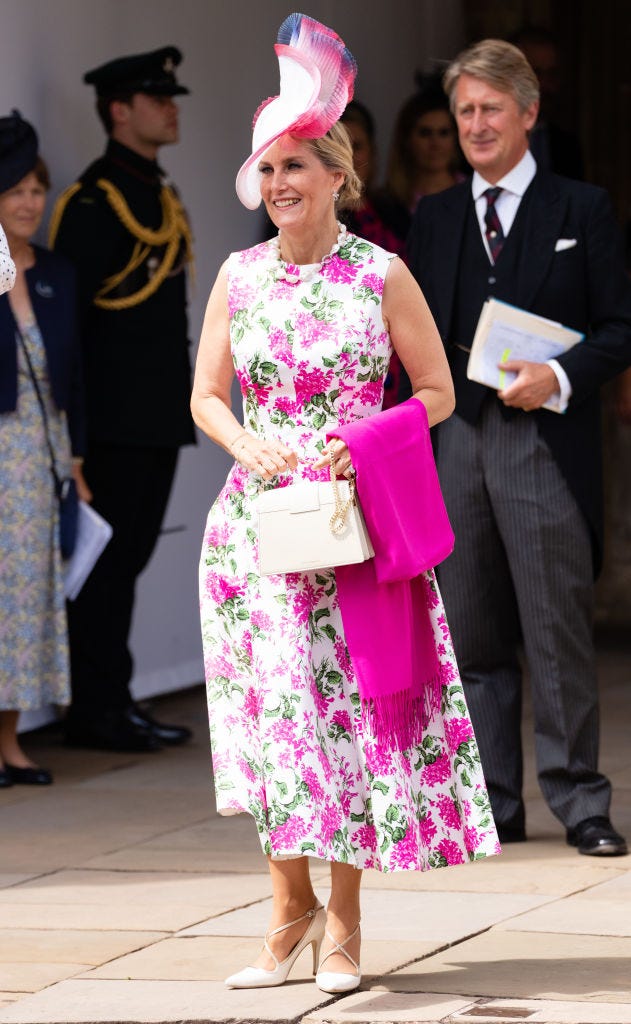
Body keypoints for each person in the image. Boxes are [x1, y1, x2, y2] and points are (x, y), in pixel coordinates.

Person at [192, 14, 499, 995]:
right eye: (267, 170)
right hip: (252, 533)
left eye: (296, 166)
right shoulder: (240, 276)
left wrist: (349, 442)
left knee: (347, 730)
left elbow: (438, 393)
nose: (278, 185)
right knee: (273, 728)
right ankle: (286, 918)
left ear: (337, 172)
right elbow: (205, 393)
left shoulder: (380, 273)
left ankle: (346, 928)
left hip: (347, 532)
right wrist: (249, 442)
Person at [403, 39, 631, 856]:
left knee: (555, 629)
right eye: (463, 111)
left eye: (488, 109)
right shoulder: (430, 216)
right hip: (456, 443)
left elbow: (619, 329)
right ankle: (492, 803)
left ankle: (580, 802)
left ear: (527, 114)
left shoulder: (582, 209)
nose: (473, 125)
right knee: (470, 634)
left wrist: (559, 377)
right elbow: (412, 334)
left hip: (542, 441)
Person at [49, 47, 195, 753]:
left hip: (157, 414)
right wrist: (74, 433)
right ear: (119, 110)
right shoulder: (93, 200)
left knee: (129, 560)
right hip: (110, 421)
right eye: (156, 97)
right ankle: (95, 708)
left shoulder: (156, 192)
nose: (171, 107)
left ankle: (112, 697)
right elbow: (70, 329)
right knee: (105, 567)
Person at [0, 112, 87, 786]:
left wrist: (76, 462)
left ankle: (10, 744)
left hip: (42, 455)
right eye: (15, 190)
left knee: (29, 597)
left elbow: (74, 375)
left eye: (37, 189)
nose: (30, 202)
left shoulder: (57, 272)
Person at [339, 100, 406, 409]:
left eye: (357, 145)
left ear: (373, 152)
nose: (349, 156)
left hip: (395, 353)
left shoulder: (395, 213)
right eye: (338, 145)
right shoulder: (299, 223)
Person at [383, 75, 466, 243]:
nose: (435, 144)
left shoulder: (474, 192)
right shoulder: (386, 203)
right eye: (425, 133)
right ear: (407, 139)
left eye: (444, 133)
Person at [511, 25, 584, 180]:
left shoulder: (567, 146)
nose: (544, 84)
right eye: (535, 73)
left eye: (552, 74)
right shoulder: (485, 137)